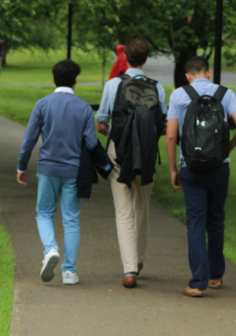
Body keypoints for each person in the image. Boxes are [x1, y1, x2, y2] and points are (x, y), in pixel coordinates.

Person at [166, 56, 236, 297]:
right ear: (209, 73)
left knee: (195, 222)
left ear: (187, 76)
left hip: (190, 167)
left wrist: (173, 169)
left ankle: (197, 283)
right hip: (219, 167)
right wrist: (227, 149)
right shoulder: (226, 93)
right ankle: (215, 276)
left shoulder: (179, 95)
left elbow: (171, 136)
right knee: (215, 219)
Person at [17, 59, 99, 285]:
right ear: (75, 81)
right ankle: (70, 272)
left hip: (48, 168)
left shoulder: (42, 104)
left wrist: (22, 166)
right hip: (73, 170)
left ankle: (51, 248)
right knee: (71, 220)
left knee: (44, 213)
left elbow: (29, 141)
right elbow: (91, 142)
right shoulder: (83, 107)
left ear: (53, 79)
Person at [95, 36, 168, 289]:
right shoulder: (157, 87)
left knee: (123, 211)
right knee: (142, 209)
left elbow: (101, 124)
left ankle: (129, 271)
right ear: (146, 59)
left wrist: (121, 137)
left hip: (119, 155)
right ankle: (139, 261)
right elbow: (162, 125)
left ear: (125, 56)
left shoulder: (113, 85)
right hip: (146, 156)